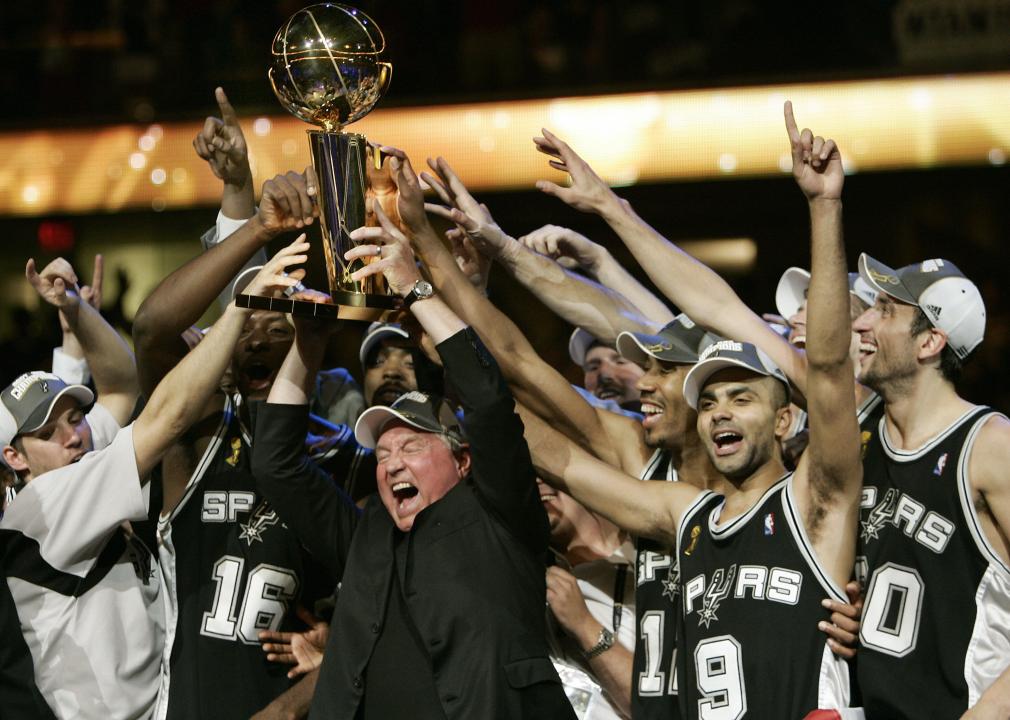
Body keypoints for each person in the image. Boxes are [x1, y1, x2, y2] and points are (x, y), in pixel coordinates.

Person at [524, 103, 863, 718]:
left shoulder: (829, 472)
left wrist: (824, 207)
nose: (798, 335)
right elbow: (694, 320)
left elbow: (830, 370)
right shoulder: (696, 508)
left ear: (787, 417)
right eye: (708, 400)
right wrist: (608, 212)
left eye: (740, 395)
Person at [252, 200, 575, 719]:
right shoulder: (367, 537)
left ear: (464, 460)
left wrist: (414, 286)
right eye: (382, 453)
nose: (392, 463)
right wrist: (308, 347)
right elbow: (276, 464)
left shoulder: (503, 519)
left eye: (412, 446)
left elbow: (489, 402)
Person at [0, 254, 284, 719]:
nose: (73, 435)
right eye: (48, 432)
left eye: (74, 418)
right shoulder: (45, 505)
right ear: (14, 458)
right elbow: (166, 417)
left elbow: (118, 387)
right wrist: (236, 311)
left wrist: (74, 309)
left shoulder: (77, 464)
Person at [851, 252, 1010, 718]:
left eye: (884, 310)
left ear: (929, 343)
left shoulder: (989, 445)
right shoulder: (863, 436)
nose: (861, 323)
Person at [542, 480, 636, 719]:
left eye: (543, 470)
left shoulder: (650, 567)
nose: (535, 482)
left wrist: (583, 624)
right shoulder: (526, 588)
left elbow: (660, 706)